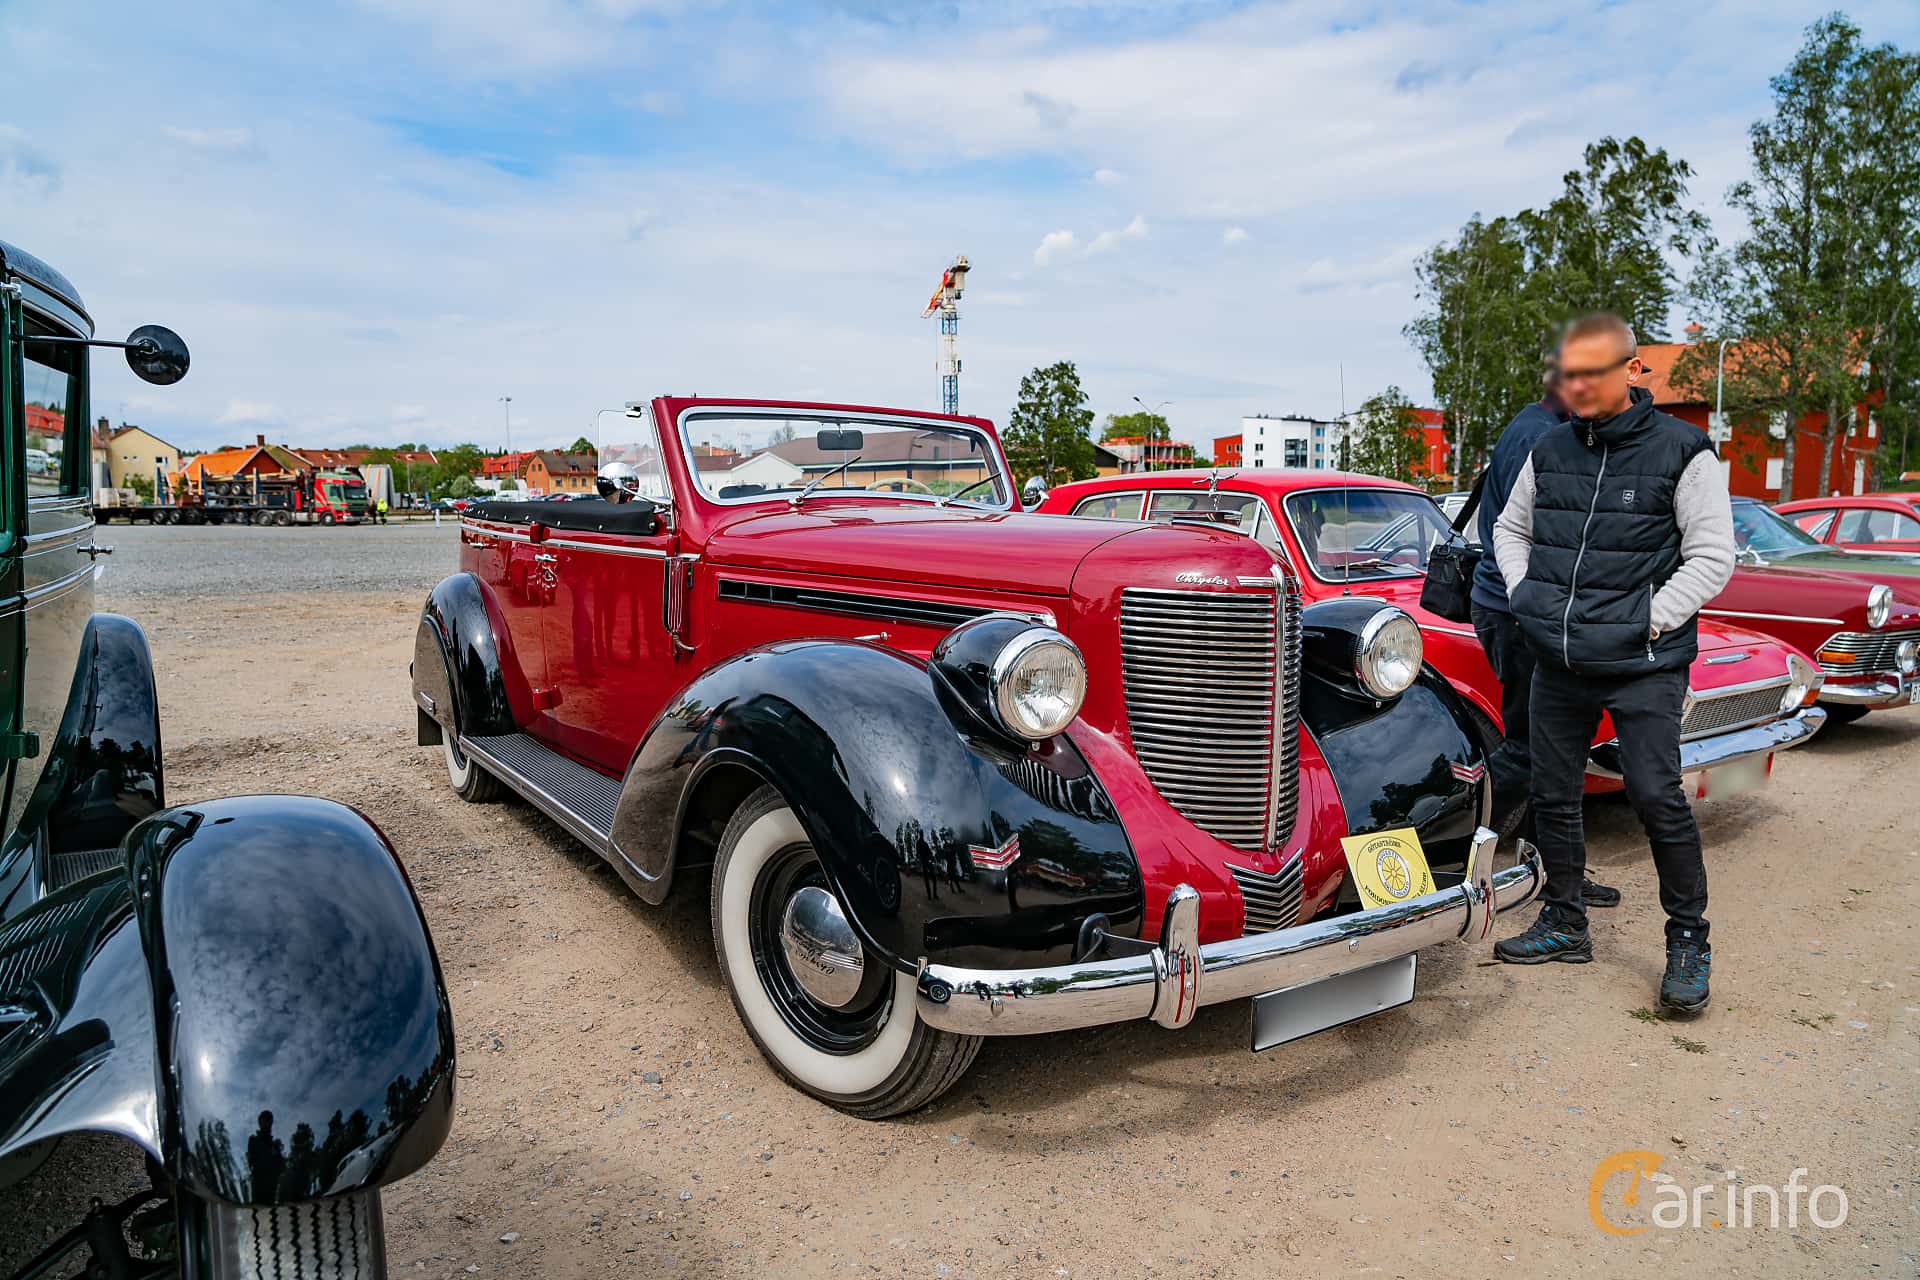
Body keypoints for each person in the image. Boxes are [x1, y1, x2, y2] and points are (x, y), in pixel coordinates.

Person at [1490, 313, 1734, 1014]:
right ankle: (1566, 922)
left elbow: (1713, 558)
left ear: (1632, 370)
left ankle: (1688, 937)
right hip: (1559, 659)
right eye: (1568, 372)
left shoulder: (1684, 451)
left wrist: (1646, 619)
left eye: (1592, 371)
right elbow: (1511, 528)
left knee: (1657, 795)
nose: (1577, 385)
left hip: (1644, 663)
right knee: (1554, 793)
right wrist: (1523, 594)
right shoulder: (1551, 448)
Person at [1469, 365, 1620, 911]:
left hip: (1515, 606)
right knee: (1533, 748)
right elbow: (1545, 536)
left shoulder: (1534, 427)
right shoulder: (1539, 435)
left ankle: (1554, 874)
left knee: (1546, 749)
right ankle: (1445, 835)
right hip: (1519, 610)